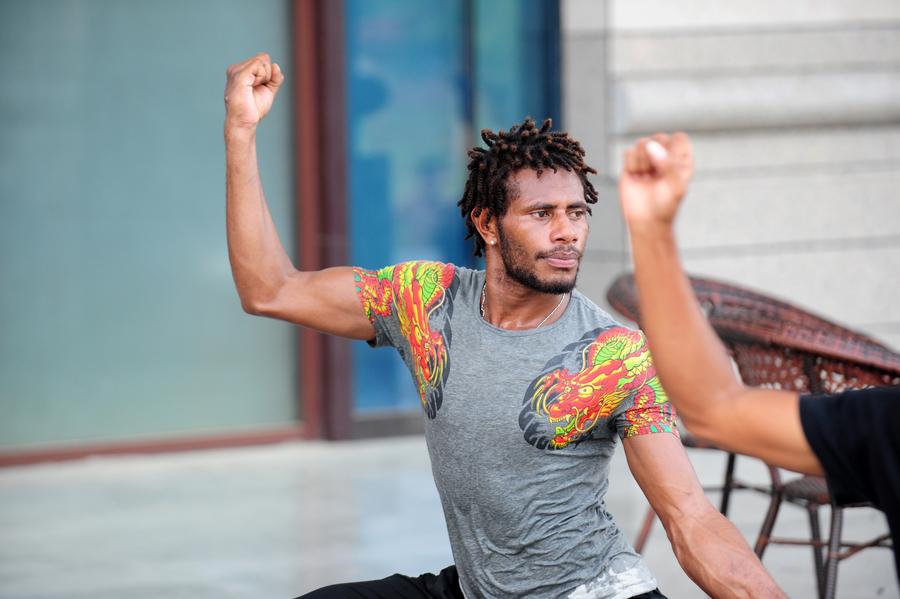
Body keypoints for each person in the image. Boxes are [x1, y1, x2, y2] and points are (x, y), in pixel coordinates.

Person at [224, 52, 786, 599]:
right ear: (488, 224)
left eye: (577, 212)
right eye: (542, 214)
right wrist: (241, 132)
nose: (567, 232)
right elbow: (270, 290)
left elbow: (690, 517)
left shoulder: (615, 356)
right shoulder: (425, 301)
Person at [617, 133, 900, 584]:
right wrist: (652, 229)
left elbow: (715, 409)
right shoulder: (888, 425)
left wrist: (652, 230)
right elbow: (714, 409)